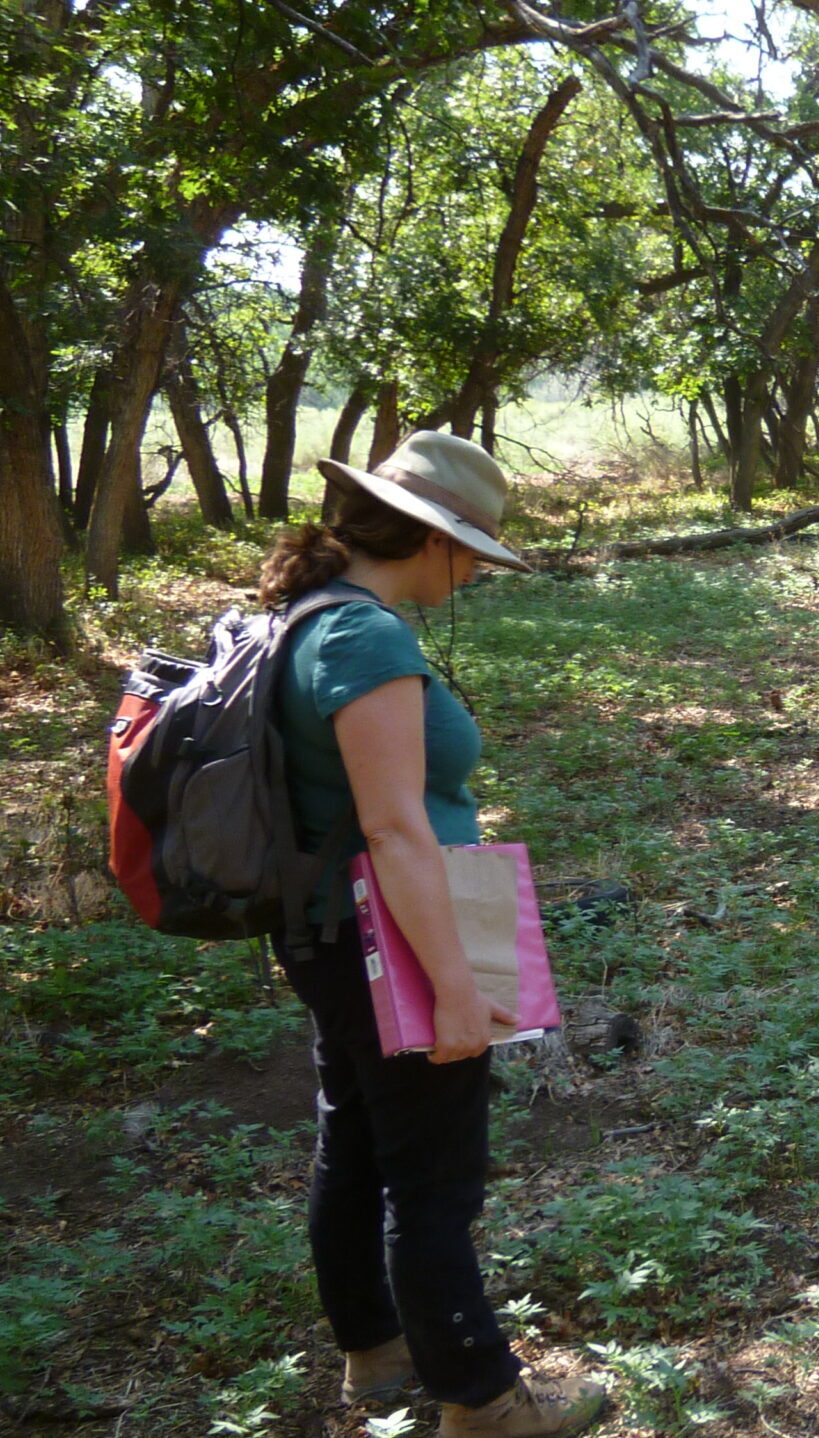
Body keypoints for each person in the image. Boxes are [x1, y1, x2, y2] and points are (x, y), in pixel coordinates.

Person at [258, 431, 606, 1438]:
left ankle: (374, 1353)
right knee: (433, 1175)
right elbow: (394, 825)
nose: (474, 572)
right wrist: (453, 982)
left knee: (358, 1139)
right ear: (433, 537)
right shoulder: (365, 639)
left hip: (335, 929)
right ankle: (481, 1400)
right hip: (398, 932)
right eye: (472, 551)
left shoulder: (310, 615)